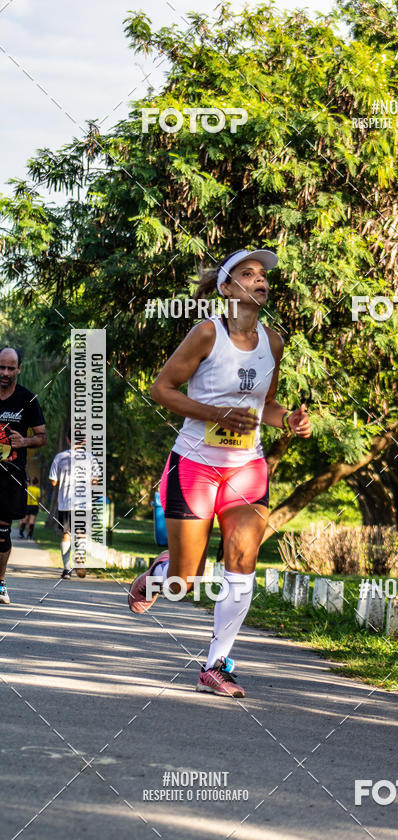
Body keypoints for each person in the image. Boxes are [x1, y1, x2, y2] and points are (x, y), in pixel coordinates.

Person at [128, 248, 311, 697]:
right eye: (248, 274)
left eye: (264, 275)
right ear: (227, 288)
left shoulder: (273, 342)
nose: (260, 280)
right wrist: (216, 413)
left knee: (242, 564)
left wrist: (288, 419)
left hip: (247, 468)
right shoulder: (207, 334)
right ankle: (158, 575)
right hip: (194, 465)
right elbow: (162, 389)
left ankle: (216, 664)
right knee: (183, 580)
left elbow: (263, 406)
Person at [0, 347, 47, 604]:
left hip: (11, 478)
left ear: (19, 369)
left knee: (2, 534)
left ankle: (0, 583)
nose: (5, 373)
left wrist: (24, 441)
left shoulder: (27, 399)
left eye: (10, 368)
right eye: (1, 367)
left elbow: (43, 437)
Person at [49, 431, 100, 578]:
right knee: (82, 534)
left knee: (66, 534)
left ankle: (66, 569)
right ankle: (79, 556)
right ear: (83, 441)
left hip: (66, 503)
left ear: (67, 439)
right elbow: (95, 481)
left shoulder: (60, 457)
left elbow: (53, 481)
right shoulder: (90, 458)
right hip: (84, 503)